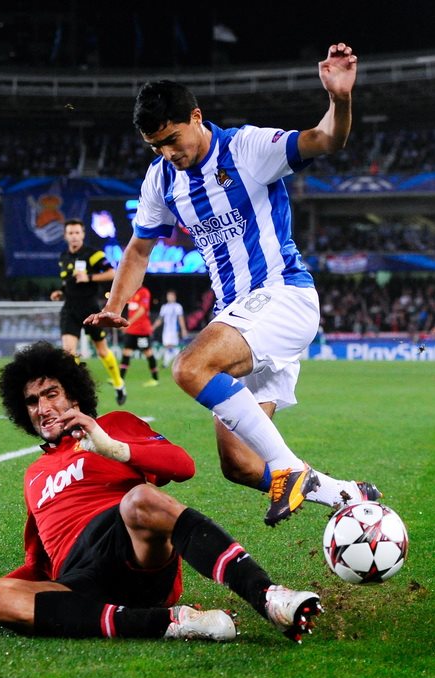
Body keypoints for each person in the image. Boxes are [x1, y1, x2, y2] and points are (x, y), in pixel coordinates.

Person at [85, 44, 381, 526]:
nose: (168, 153)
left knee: (189, 367)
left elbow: (326, 139)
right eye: (156, 146)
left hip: (282, 296)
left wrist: (340, 99)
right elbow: (138, 249)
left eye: (172, 139)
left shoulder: (246, 149)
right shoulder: (162, 180)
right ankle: (348, 495)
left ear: (196, 117)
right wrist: (116, 305)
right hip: (239, 315)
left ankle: (289, 468)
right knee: (239, 463)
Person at [0, 341, 323, 644]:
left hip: (133, 551)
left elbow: (183, 467)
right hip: (79, 580)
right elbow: (37, 565)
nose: (43, 408)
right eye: (32, 401)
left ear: (73, 394)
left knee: (139, 499)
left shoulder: (115, 425)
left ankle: (267, 596)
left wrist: (112, 447)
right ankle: (169, 623)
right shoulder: (34, 476)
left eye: (51, 394)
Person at [50, 218, 126, 405]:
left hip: (90, 309)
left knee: (102, 351)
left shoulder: (93, 255)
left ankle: (118, 384)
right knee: (68, 353)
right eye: (71, 233)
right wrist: (61, 292)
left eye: (77, 232)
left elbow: (112, 273)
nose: (74, 236)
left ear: (83, 234)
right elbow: (68, 282)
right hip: (70, 308)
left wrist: (89, 277)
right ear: (65, 236)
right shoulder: (63, 257)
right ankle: (75, 391)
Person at [120, 285, 160, 387]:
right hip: (131, 330)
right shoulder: (131, 292)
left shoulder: (144, 292)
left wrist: (128, 322)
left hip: (142, 330)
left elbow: (142, 310)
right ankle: (120, 379)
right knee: (126, 352)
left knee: (147, 352)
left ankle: (155, 379)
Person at [152, 289, 188, 368]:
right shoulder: (164, 307)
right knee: (168, 346)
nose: (170, 297)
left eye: (171, 296)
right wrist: (152, 328)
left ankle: (174, 362)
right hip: (166, 331)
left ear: (175, 297)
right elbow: (160, 319)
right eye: (168, 296)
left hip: (174, 330)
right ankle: (171, 362)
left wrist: (183, 329)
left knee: (173, 346)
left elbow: (180, 318)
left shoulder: (178, 306)